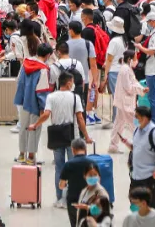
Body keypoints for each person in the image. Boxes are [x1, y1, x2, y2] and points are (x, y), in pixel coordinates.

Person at [32, 72, 91, 209]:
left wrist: (35, 125)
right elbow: (80, 119)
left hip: (56, 136)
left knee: (59, 167)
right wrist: (86, 136)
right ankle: (73, 197)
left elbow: (46, 114)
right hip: (73, 138)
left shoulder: (51, 97)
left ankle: (59, 199)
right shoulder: (75, 98)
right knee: (74, 167)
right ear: (69, 83)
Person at [129, 104, 155, 211]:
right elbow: (137, 147)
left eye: (137, 117)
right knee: (136, 207)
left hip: (150, 178)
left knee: (153, 207)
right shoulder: (137, 131)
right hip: (136, 177)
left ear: (144, 118)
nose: (135, 119)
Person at [57, 138, 94, 222]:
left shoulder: (68, 165)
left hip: (73, 201)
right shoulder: (93, 163)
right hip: (89, 200)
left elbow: (61, 185)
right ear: (85, 149)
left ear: (73, 150)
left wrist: (66, 183)